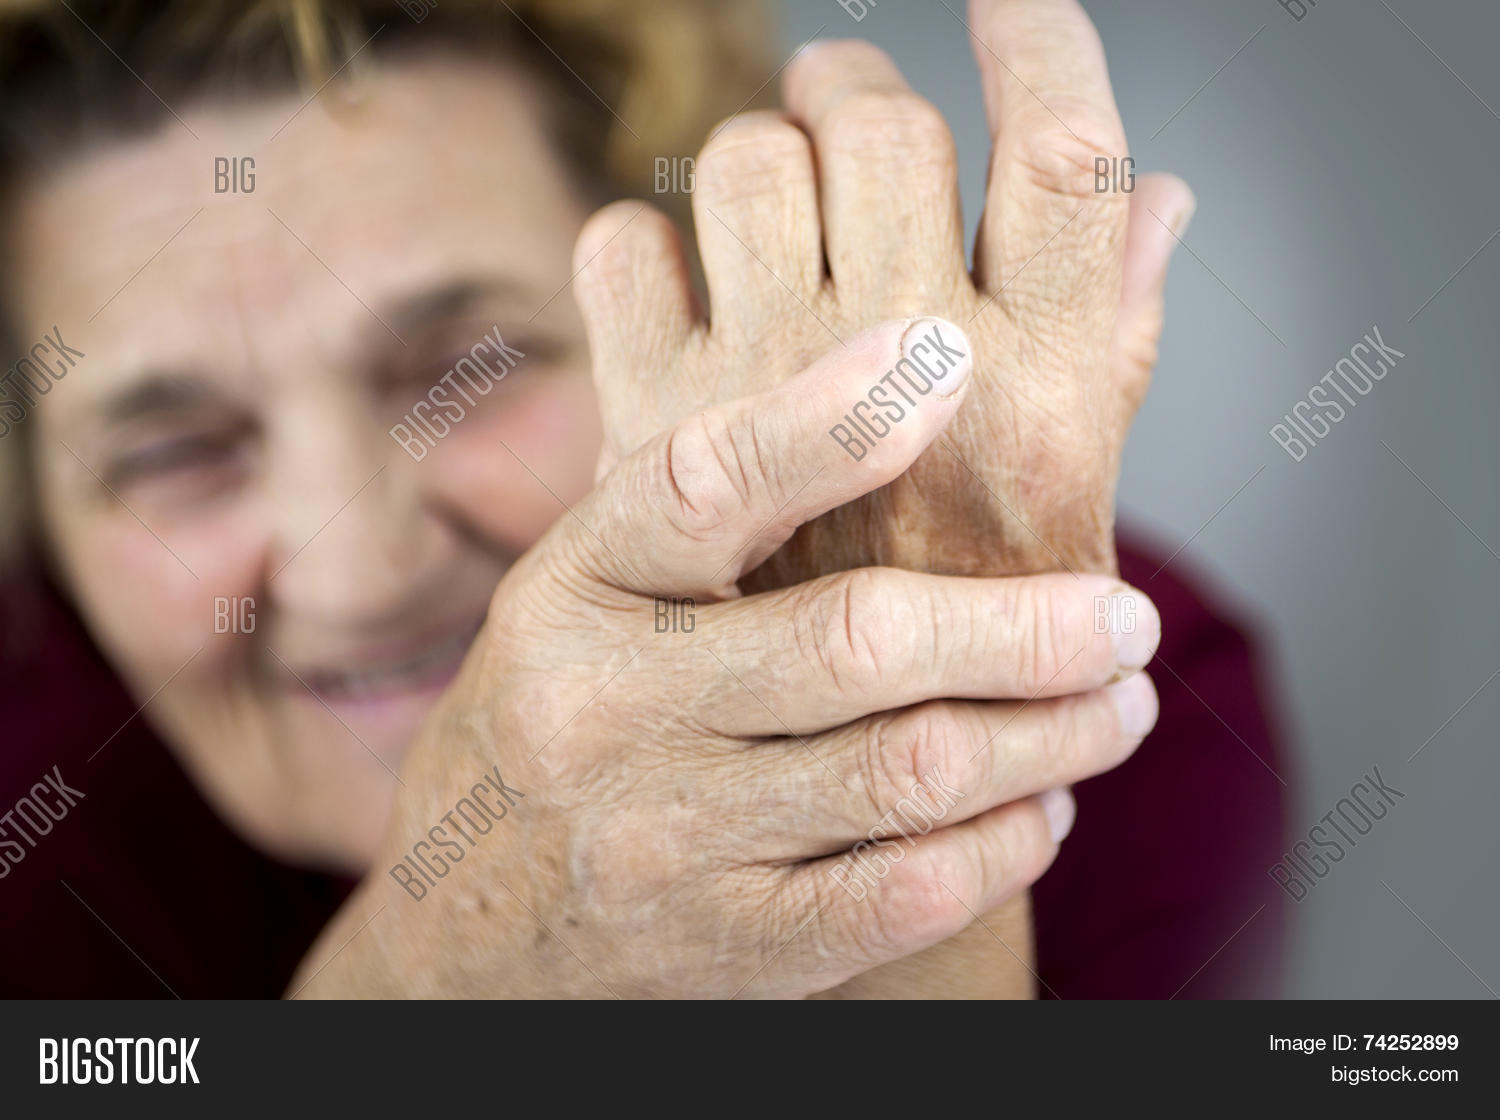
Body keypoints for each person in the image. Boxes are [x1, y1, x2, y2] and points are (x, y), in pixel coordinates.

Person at [0, 0, 1286, 997]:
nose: (361, 570)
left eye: (468, 369)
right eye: (174, 454)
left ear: (707, 321)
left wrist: (905, 771)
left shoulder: (1114, 698)